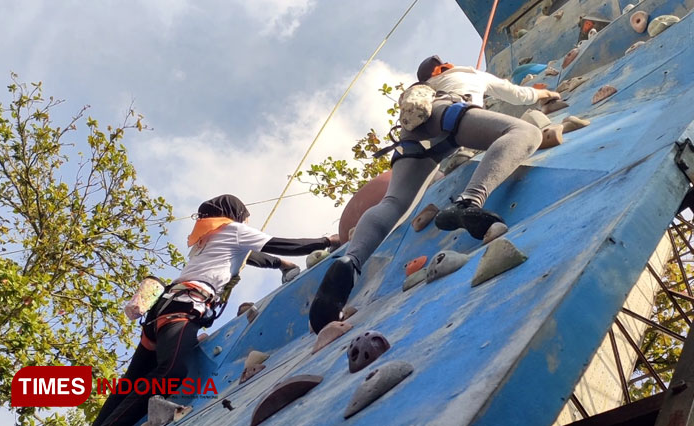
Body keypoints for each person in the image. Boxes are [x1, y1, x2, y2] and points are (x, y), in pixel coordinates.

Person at [308, 55, 560, 333]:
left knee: (394, 203)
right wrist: (546, 92)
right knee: (524, 132)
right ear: (443, 68)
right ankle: (468, 202)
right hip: (449, 114)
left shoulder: (424, 91)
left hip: (411, 136)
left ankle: (350, 261)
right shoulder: (469, 73)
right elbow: (519, 94)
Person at [94, 194, 338, 426]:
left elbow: (248, 256)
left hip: (164, 309)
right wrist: (326, 241)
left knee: (130, 384)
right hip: (184, 307)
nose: (247, 222)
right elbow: (280, 244)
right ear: (236, 214)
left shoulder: (207, 238)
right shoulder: (233, 230)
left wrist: (280, 265)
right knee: (172, 371)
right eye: (246, 217)